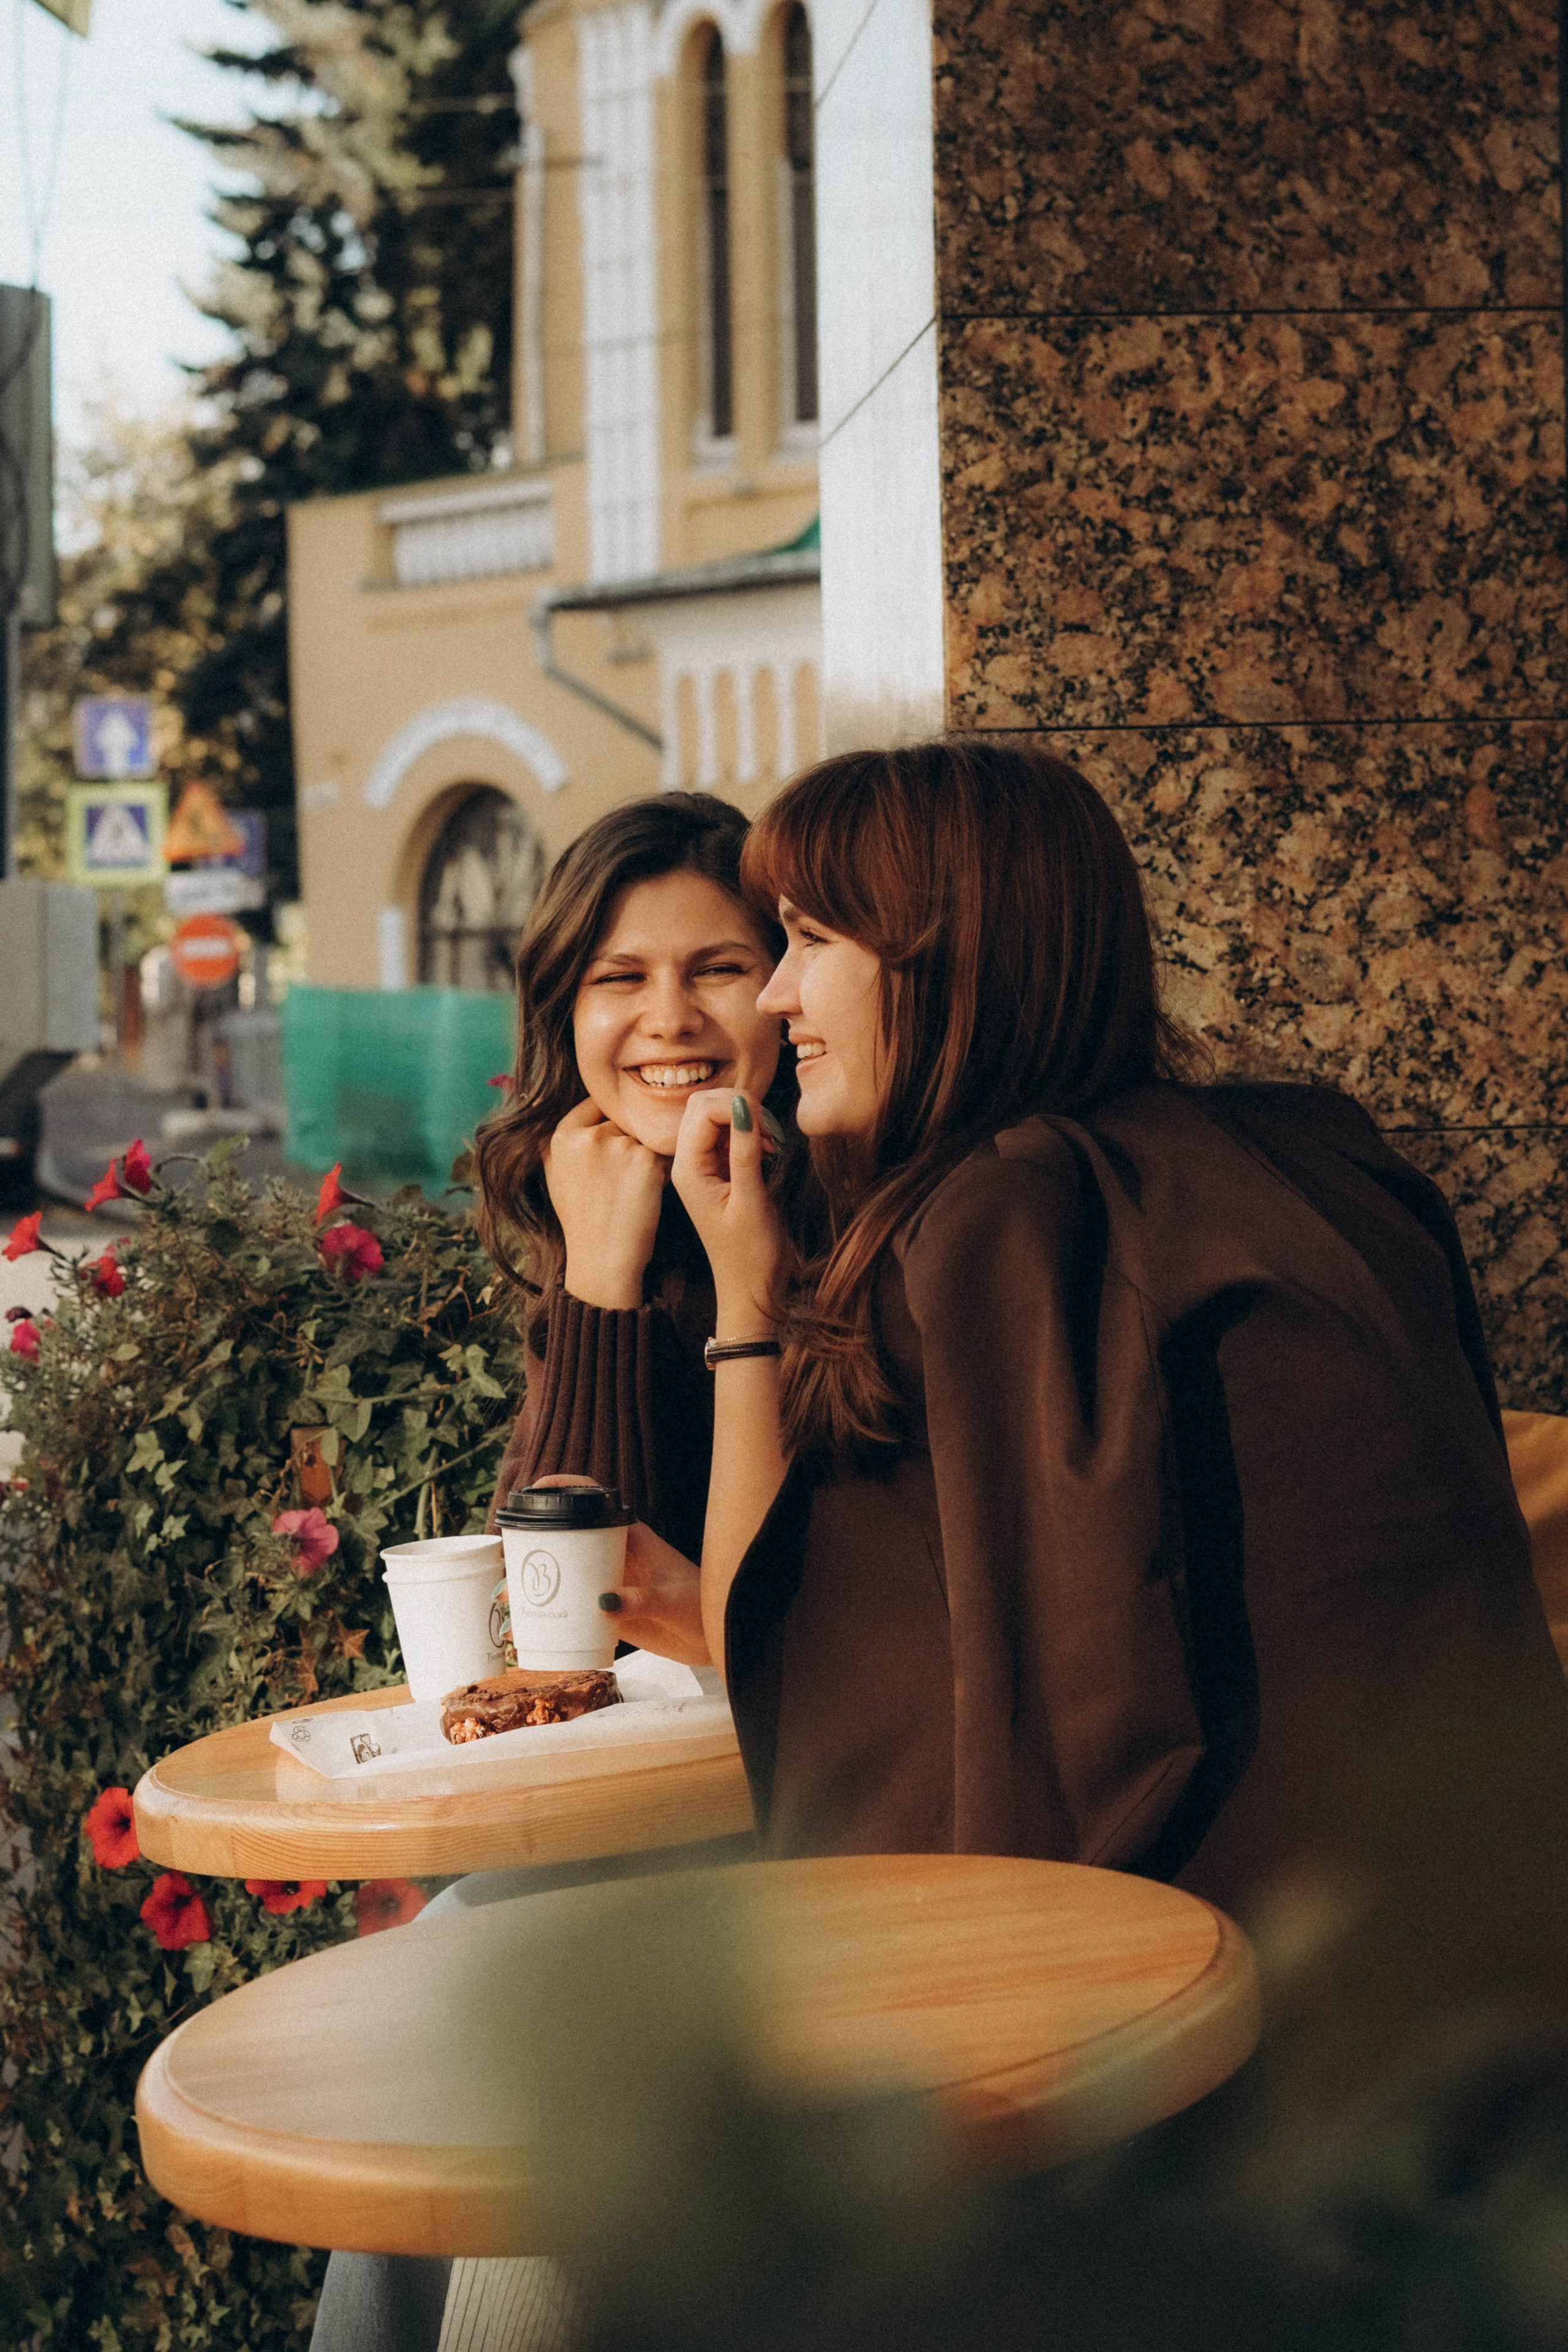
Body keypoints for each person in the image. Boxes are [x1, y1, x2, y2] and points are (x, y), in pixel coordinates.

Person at [635, 737, 1568, 2016]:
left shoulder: (1015, 1226)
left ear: (948, 952)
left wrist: (747, 1295)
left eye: (812, 942)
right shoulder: (1303, 1157)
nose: (776, 999)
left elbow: (835, 1686)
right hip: (1471, 1961)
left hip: (1232, 2027)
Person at [311, 793, 805, 2352]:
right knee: (435, 1991)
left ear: (787, 984)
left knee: (505, 1999)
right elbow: (567, 1622)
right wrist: (596, 1274)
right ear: (562, 1011)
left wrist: (646, 1281)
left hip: (802, 1821)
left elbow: (591, 1616)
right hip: (662, 1818)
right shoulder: (617, 1216)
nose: (668, 1019)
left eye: (717, 967)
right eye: (617, 978)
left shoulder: (835, 1225)